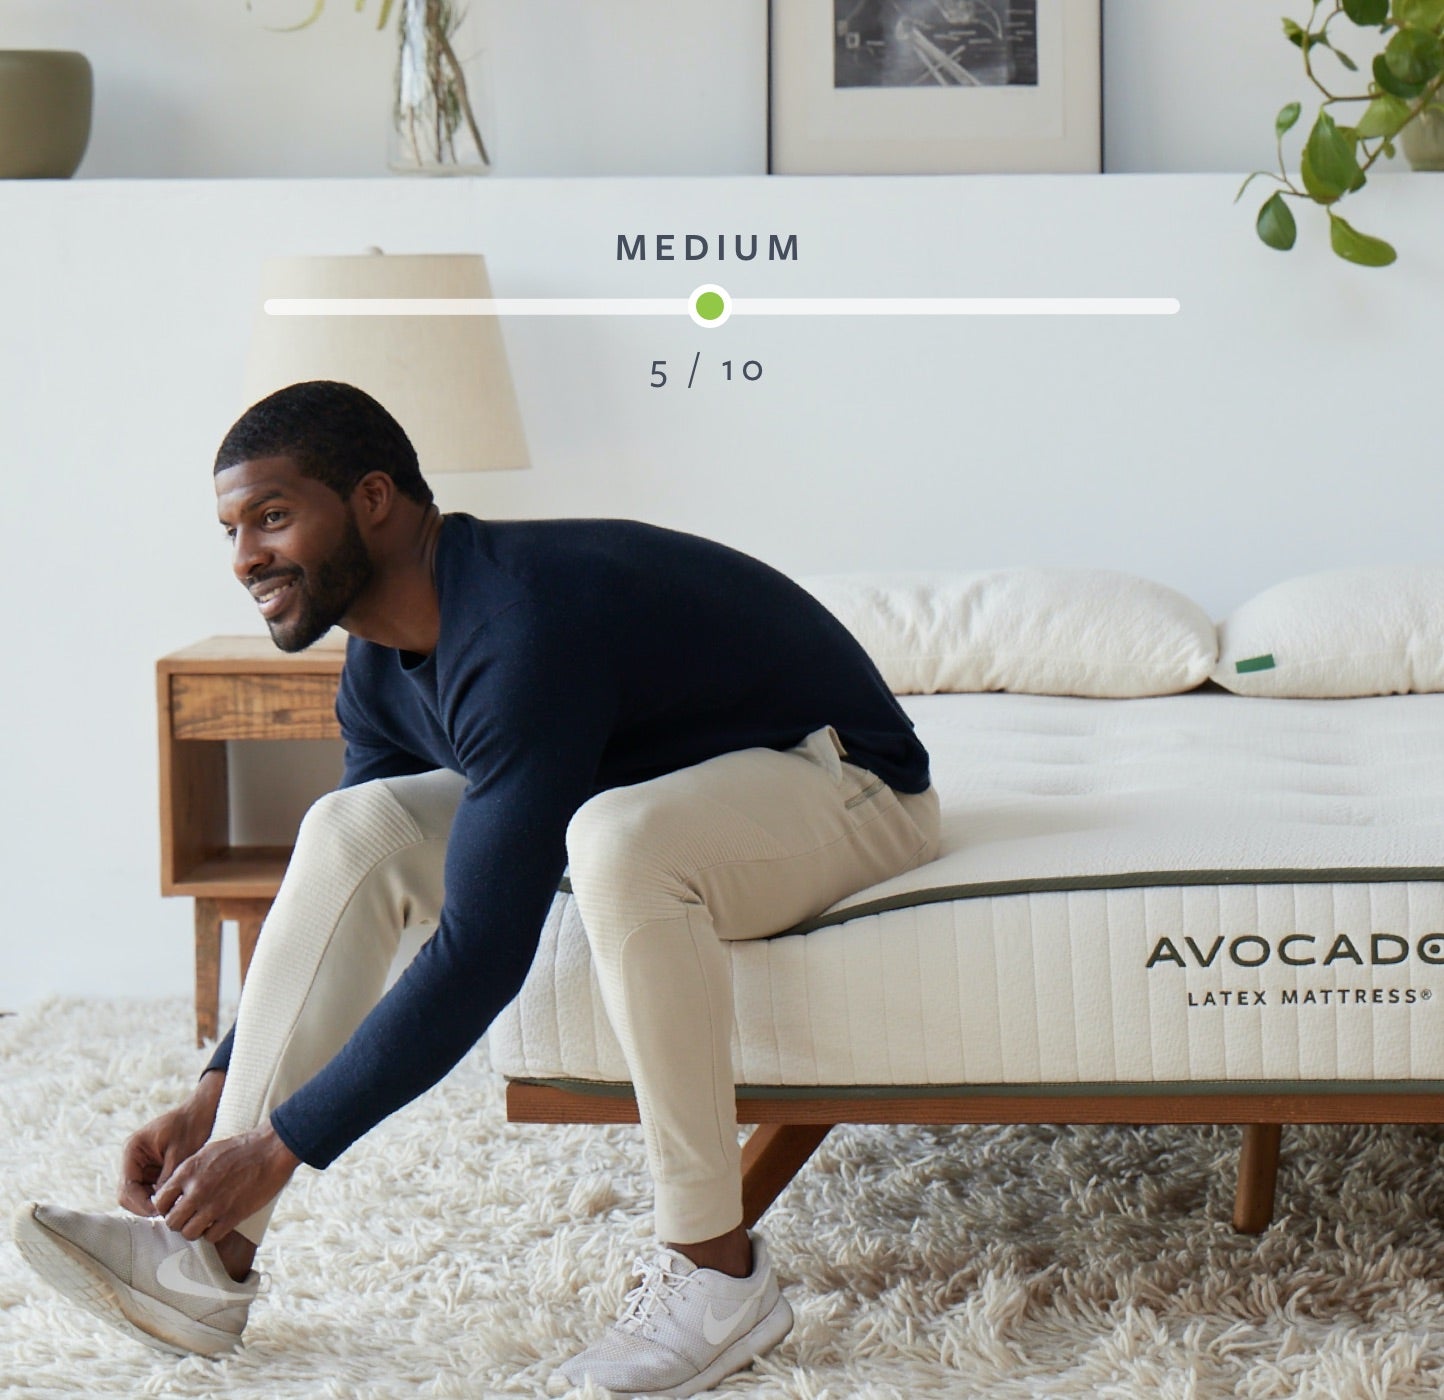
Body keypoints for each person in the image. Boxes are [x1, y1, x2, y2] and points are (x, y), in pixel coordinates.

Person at [13, 380, 939, 1397]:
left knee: (615, 839)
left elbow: (483, 948)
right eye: (232, 528)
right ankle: (206, 1255)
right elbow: (358, 875)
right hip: (671, 782)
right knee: (348, 824)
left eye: (273, 516)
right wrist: (213, 1097)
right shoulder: (378, 660)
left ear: (374, 499)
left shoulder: (520, 626)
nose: (245, 557)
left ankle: (715, 1273)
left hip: (844, 779)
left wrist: (282, 1143)